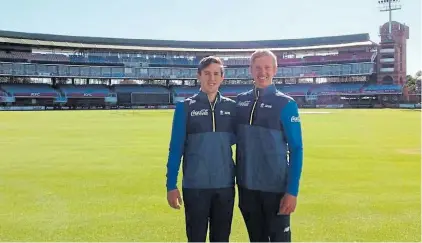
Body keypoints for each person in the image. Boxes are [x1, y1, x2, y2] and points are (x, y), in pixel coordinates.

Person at [165, 56, 237, 242]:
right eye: (206, 73)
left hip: (225, 186)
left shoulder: (232, 108)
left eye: (215, 74)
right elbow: (175, 149)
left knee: (221, 239)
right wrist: (171, 185)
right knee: (195, 238)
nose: (211, 78)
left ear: (222, 77)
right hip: (195, 187)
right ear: (199, 76)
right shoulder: (185, 107)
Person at [235, 49, 304, 242]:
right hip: (247, 188)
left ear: (275, 70)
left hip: (276, 190)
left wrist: (292, 191)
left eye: (267, 67)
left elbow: (297, 149)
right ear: (250, 70)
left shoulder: (286, 104)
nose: (262, 72)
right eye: (257, 67)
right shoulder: (240, 101)